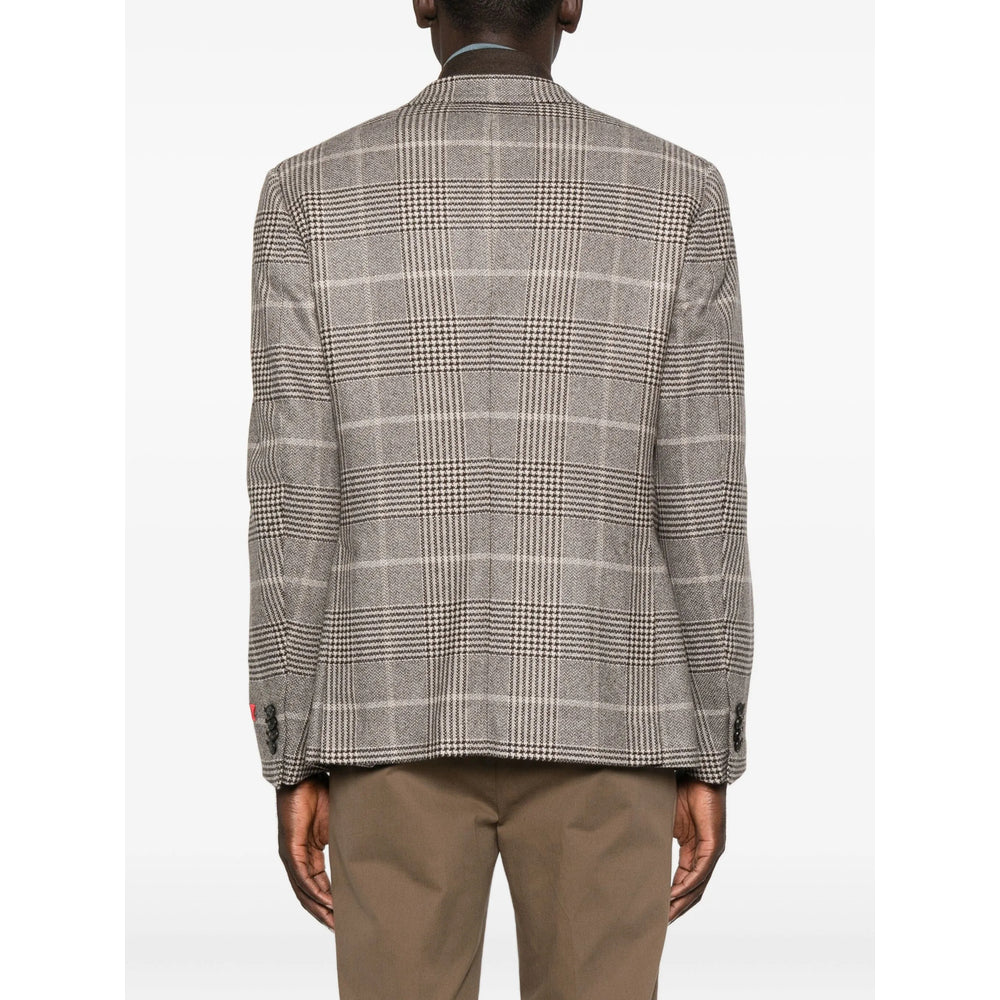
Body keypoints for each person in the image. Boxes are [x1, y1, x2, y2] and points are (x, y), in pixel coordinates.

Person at [246, 1, 754, 996]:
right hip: (608, 711)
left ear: (421, 2)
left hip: (387, 717)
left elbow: (293, 496)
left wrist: (288, 746)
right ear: (571, 4)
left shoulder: (310, 193)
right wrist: (712, 741)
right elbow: (703, 491)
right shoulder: (676, 191)